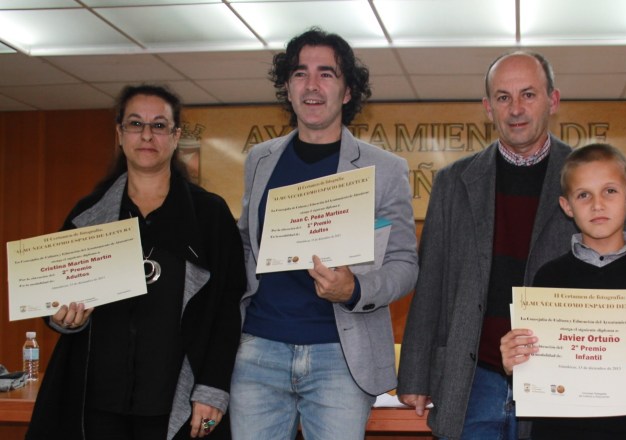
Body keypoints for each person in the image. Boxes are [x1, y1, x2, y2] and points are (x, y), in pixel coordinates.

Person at [26, 84, 246, 439]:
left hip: (178, 403)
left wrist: (212, 389)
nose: (147, 135)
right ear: (119, 134)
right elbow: (56, 295)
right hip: (97, 403)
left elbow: (228, 310)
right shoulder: (88, 214)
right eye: (135, 124)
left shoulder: (210, 215)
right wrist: (62, 317)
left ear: (175, 137)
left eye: (159, 125)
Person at [230, 27, 418, 440]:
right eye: (300, 73)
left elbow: (405, 264)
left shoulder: (384, 169)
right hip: (260, 349)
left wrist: (354, 288)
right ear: (287, 86)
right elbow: (246, 243)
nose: (312, 85)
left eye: (326, 74)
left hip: (341, 356)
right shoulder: (259, 160)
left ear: (348, 91)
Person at [398, 50, 578, 440]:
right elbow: (430, 283)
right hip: (472, 377)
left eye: (528, 95)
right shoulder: (452, 182)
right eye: (503, 97)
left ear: (553, 100)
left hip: (559, 377)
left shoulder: (586, 179)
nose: (516, 108)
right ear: (487, 107)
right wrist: (415, 373)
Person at [500, 143, 626, 439]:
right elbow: (531, 377)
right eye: (583, 195)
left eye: (610, 191)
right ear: (567, 206)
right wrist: (514, 363)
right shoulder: (549, 277)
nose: (598, 205)